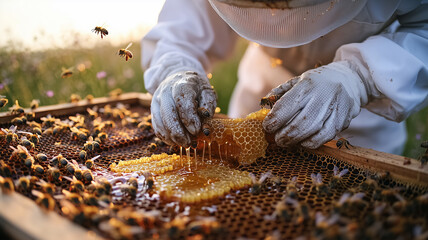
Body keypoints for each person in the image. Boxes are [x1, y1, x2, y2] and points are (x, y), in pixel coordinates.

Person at [141, 0, 428, 155]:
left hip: (361, 115)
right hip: (260, 90)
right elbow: (181, 33)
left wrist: (360, 77)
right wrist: (174, 71)